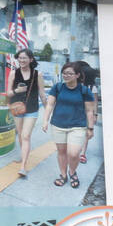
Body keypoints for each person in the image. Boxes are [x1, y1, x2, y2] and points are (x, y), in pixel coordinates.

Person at [42, 62, 96, 190]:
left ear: (77, 75)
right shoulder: (57, 87)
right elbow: (49, 105)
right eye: (64, 73)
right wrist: (45, 120)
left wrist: (90, 128)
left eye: (70, 73)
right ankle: (63, 175)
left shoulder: (84, 91)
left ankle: (72, 172)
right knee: (61, 152)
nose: (66, 76)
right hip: (58, 125)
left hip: (77, 126)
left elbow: (89, 111)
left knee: (73, 153)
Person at [8, 48, 45, 176]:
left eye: (24, 58)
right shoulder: (13, 73)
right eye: (20, 57)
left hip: (32, 109)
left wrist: (47, 112)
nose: (22, 60)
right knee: (20, 134)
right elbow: (8, 93)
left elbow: (42, 94)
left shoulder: (37, 75)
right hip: (17, 108)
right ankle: (23, 157)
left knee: (25, 135)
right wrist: (16, 91)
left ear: (31, 59)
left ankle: (23, 166)